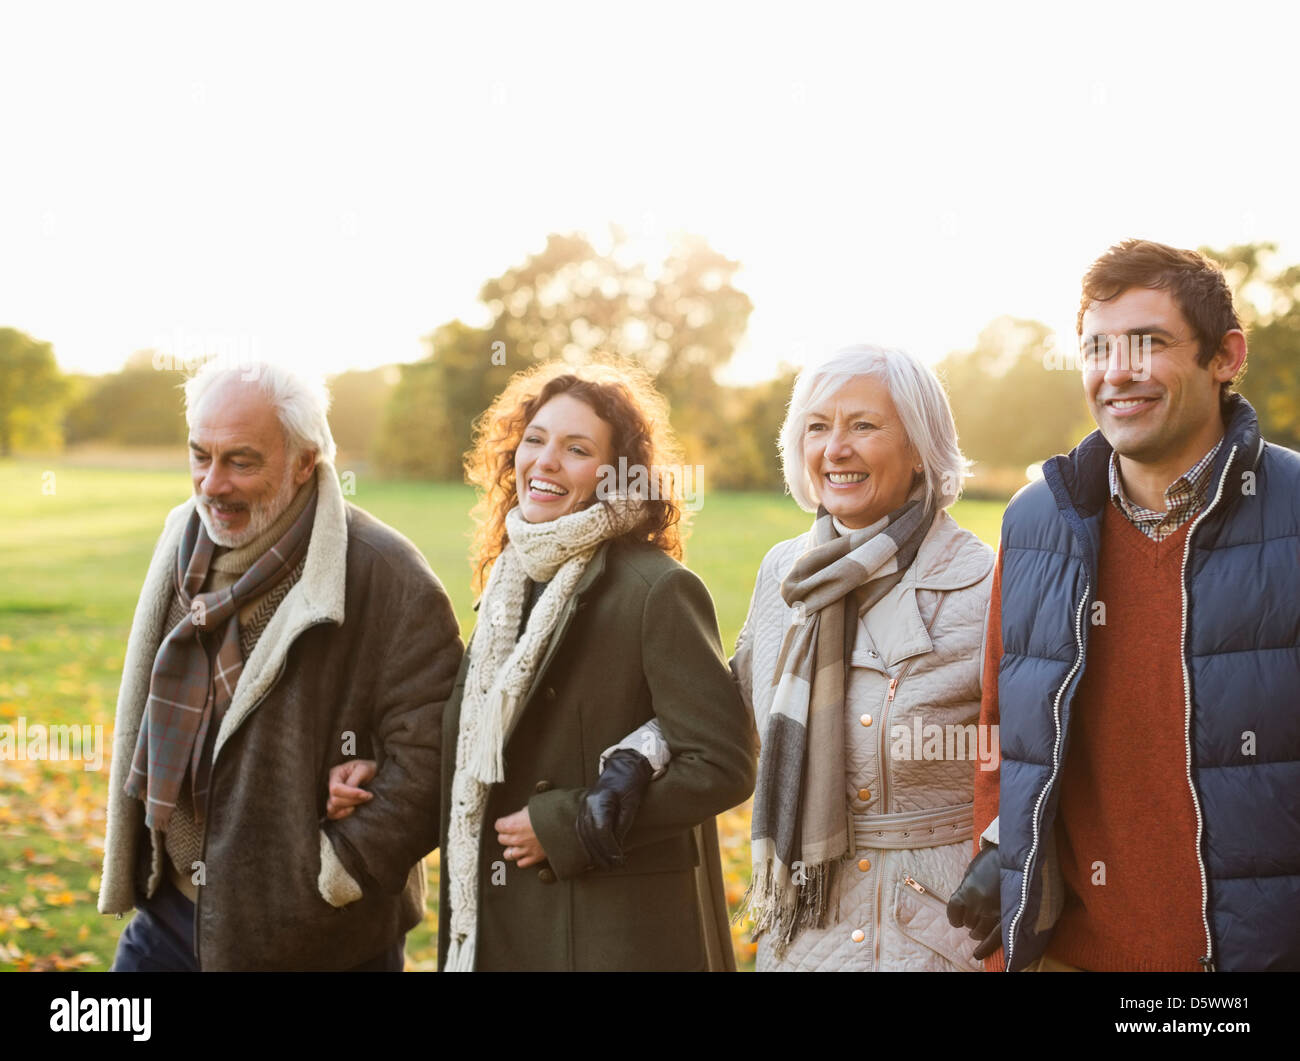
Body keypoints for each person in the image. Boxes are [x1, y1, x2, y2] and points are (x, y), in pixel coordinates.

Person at [330, 358, 756, 971]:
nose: (546, 461)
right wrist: (378, 772)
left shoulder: (655, 590)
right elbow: (483, 744)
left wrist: (572, 823)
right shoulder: (510, 584)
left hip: (609, 935)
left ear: (615, 474)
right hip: (508, 924)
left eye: (576, 448)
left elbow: (722, 762)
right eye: (535, 439)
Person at [948, 239, 1300, 971]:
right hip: (1069, 955)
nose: (1116, 373)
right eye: (1097, 348)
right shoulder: (1037, 521)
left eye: (1149, 344)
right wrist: (997, 840)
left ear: (1225, 356)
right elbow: (997, 725)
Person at [98, 359, 463, 971]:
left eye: (241, 460)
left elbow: (437, 750)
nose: (212, 484)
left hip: (317, 936)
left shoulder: (385, 572)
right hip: (171, 914)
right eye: (199, 456)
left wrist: (341, 868)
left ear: (304, 461)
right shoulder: (180, 536)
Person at [730, 344, 995, 971]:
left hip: (935, 928)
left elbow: (1050, 747)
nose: (835, 448)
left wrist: (1009, 850)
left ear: (921, 450)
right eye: (817, 427)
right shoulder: (784, 571)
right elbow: (724, 704)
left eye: (864, 426)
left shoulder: (986, 580)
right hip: (802, 931)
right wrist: (642, 753)